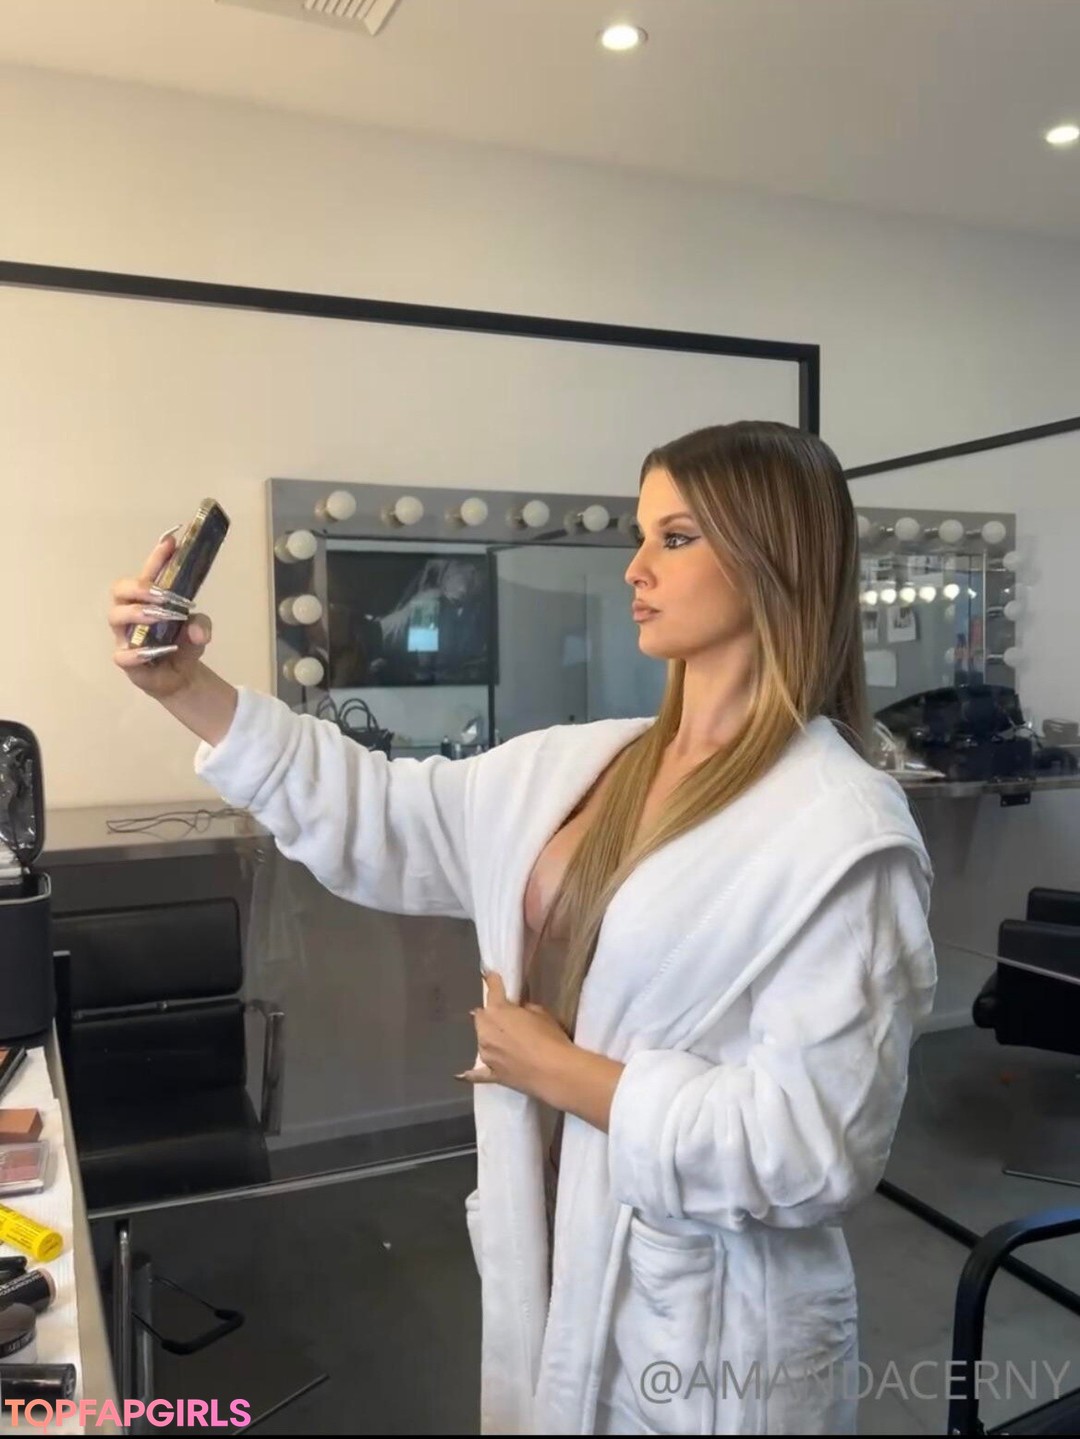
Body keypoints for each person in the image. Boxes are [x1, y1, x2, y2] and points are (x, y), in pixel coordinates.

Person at [108, 421, 936, 1436]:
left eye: (676, 538)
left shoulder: (840, 830)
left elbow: (815, 1147)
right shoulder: (581, 765)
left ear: (777, 557)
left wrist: (560, 1071)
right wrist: (187, 689)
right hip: (552, 1252)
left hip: (709, 1326)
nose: (635, 567)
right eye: (640, 535)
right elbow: (381, 809)